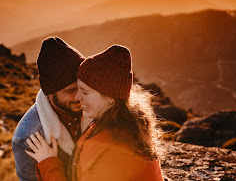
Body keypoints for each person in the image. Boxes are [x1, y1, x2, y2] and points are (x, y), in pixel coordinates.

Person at [26, 45, 165, 181]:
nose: (78, 97)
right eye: (76, 89)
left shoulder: (112, 149)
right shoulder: (125, 122)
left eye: (85, 92)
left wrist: (48, 163)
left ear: (111, 97)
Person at [12, 37, 92, 181]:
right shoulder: (27, 138)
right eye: (70, 90)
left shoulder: (97, 107)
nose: (80, 96)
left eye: (83, 87)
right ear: (49, 92)